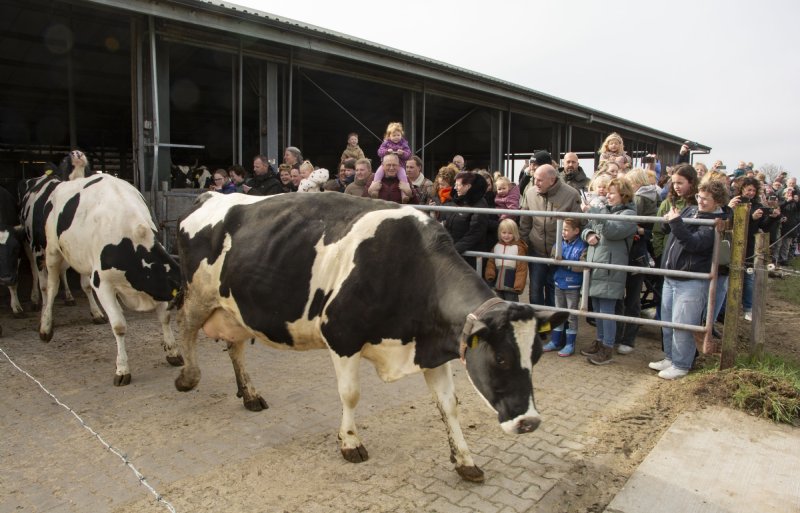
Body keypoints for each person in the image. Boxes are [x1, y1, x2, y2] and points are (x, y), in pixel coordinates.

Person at [648, 179, 729, 380]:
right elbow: (670, 229)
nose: (700, 201)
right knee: (667, 321)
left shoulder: (716, 223)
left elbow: (694, 244)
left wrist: (675, 222)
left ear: (718, 202)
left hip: (691, 280)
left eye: (706, 199)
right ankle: (670, 357)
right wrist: (669, 220)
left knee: (683, 324)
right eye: (699, 196)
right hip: (671, 276)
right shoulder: (690, 210)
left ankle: (681, 365)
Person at [580, 178, 637, 365]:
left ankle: (608, 347)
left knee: (606, 309)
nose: (608, 195)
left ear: (624, 195)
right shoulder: (606, 210)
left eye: (612, 193)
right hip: (597, 265)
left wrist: (595, 211)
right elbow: (587, 227)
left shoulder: (629, 214)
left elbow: (612, 231)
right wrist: (588, 234)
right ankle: (600, 340)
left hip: (610, 268)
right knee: (597, 308)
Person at [518, 164, 582, 306]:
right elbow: (525, 222)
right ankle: (539, 320)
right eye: (534, 179)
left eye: (540, 180)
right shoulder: (530, 193)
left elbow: (579, 223)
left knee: (554, 292)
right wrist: (525, 243)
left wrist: (569, 248)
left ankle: (553, 320)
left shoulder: (571, 195)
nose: (536, 183)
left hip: (560, 253)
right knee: (535, 291)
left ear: (552, 180)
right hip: (536, 250)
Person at [615, 169, 659, 354]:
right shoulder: (652, 197)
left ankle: (625, 338)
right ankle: (622, 338)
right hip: (632, 253)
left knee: (629, 299)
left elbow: (637, 226)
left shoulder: (639, 200)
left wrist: (638, 230)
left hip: (633, 253)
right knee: (627, 299)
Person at [728, 176, 781, 320]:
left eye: (753, 190)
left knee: (749, 278)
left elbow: (763, 226)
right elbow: (732, 222)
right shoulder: (735, 202)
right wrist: (751, 218)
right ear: (742, 189)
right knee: (731, 277)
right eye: (748, 189)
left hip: (750, 245)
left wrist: (773, 218)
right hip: (733, 243)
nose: (751, 192)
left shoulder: (757, 205)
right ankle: (727, 310)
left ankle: (747, 308)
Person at [543, 218, 587, 357]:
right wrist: (556, 260)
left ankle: (570, 344)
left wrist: (566, 264)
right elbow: (553, 258)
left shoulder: (582, 246)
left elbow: (583, 266)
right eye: (562, 230)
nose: (563, 232)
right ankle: (556, 341)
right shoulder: (559, 243)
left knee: (571, 316)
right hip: (559, 283)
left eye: (566, 230)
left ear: (576, 231)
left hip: (573, 285)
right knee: (559, 313)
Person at [442, 171, 489, 268]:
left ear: (467, 186)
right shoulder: (456, 200)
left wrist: (453, 250)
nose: (455, 188)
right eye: (455, 184)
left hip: (469, 258)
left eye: (458, 185)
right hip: (454, 253)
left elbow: (475, 233)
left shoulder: (479, 204)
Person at [484, 219, 528, 302]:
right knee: (499, 304)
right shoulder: (496, 246)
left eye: (510, 233)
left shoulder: (519, 248)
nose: (506, 236)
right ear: (499, 233)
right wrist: (490, 274)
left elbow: (522, 268)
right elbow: (491, 262)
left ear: (515, 233)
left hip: (511, 286)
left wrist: (519, 285)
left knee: (512, 306)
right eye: (504, 233)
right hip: (497, 285)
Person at [369, 122, 412, 200]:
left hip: (400, 166)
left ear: (401, 135)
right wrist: (386, 151)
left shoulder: (404, 144)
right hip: (384, 165)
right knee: (378, 173)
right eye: (394, 135)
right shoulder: (386, 143)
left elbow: (408, 154)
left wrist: (402, 153)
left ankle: (404, 195)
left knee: (403, 177)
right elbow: (379, 152)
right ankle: (375, 191)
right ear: (389, 136)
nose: (396, 137)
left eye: (398, 135)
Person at [778, 187, 800, 265]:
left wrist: (796, 201)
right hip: (779, 225)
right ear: (784, 193)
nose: (789, 194)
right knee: (777, 244)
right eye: (788, 193)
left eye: (791, 193)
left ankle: (783, 259)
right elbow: (779, 207)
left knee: (786, 244)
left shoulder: (795, 203)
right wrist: (787, 201)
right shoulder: (781, 200)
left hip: (790, 226)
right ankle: (775, 259)